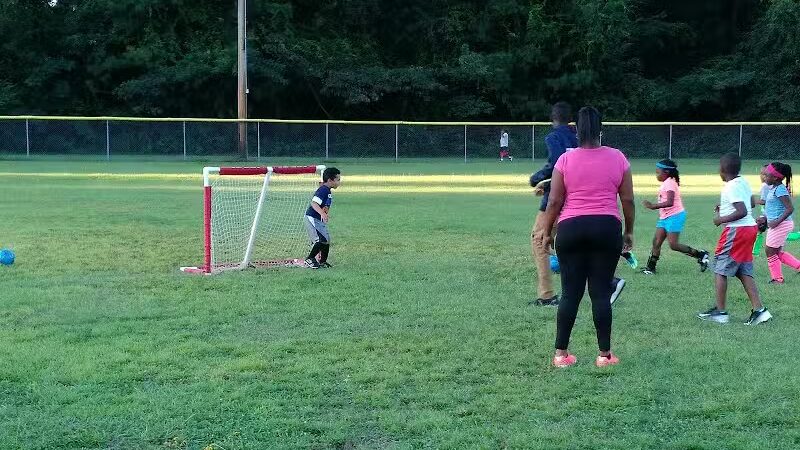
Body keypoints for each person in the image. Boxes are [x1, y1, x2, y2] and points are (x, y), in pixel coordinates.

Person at [536, 106, 635, 368]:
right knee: (600, 294)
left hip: (571, 229)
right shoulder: (618, 158)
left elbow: (555, 200)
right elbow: (627, 199)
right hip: (606, 228)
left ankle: (561, 355)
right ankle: (604, 356)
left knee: (570, 294)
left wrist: (547, 232)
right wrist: (629, 231)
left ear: (576, 131)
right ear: (601, 130)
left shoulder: (565, 161)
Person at [529, 102, 626, 308]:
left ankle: (546, 296)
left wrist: (537, 178)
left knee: (540, 240)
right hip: (579, 201)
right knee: (575, 243)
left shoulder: (554, 137)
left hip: (556, 202)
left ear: (553, 119)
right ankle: (608, 281)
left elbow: (557, 164)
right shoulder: (579, 135)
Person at [698, 153, 772, 325]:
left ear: (723, 170)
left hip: (736, 232)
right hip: (749, 229)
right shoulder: (743, 181)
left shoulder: (730, 187)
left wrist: (720, 219)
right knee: (742, 270)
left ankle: (720, 312)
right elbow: (751, 204)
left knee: (720, 269)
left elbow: (742, 211)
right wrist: (724, 207)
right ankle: (759, 311)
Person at [641, 159, 709, 274]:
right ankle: (651, 268)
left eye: (658, 172)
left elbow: (670, 202)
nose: (656, 175)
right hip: (665, 217)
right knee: (656, 242)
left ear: (666, 172)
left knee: (673, 244)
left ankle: (701, 255)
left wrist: (653, 206)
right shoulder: (667, 181)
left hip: (675, 216)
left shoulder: (670, 182)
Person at [759, 162, 800, 284]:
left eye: (767, 175)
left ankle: (777, 279)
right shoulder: (773, 188)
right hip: (778, 224)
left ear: (775, 177)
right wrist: (765, 218)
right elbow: (773, 208)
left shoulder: (780, 189)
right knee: (776, 252)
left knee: (769, 250)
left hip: (781, 225)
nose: (764, 177)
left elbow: (790, 208)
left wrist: (776, 221)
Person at [304, 167, 341, 269]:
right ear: (330, 180)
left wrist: (325, 213)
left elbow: (323, 206)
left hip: (318, 219)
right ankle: (309, 259)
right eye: (337, 180)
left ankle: (322, 262)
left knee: (326, 239)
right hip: (312, 218)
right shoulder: (323, 190)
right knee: (321, 239)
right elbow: (314, 203)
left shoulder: (327, 191)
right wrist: (322, 213)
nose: (339, 182)